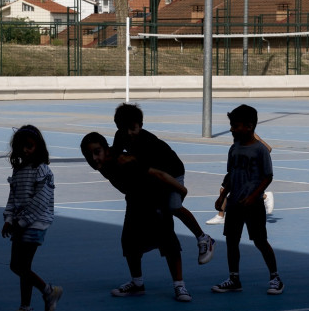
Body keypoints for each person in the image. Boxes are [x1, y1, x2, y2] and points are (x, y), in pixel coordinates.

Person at [81, 132, 193, 302]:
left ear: (107, 149)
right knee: (129, 241)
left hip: (155, 197)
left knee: (168, 241)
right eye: (88, 155)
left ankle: (179, 284)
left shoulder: (124, 161)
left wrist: (181, 189)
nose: (93, 158)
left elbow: (157, 173)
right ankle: (137, 283)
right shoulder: (103, 165)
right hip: (135, 200)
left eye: (97, 152)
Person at [112, 103, 215, 264]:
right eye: (124, 128)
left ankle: (204, 238)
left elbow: (159, 174)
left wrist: (180, 189)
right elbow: (116, 155)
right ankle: (148, 242)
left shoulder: (148, 143)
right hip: (154, 174)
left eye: (133, 128)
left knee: (174, 206)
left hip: (172, 172)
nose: (129, 133)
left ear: (141, 125)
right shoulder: (120, 136)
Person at [211, 105, 284, 296]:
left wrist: (253, 196)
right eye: (232, 125)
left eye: (236, 126)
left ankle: (275, 277)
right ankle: (234, 278)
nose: (232, 129)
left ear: (249, 126)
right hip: (234, 203)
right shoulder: (233, 149)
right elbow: (230, 175)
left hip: (253, 205)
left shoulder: (260, 150)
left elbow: (268, 177)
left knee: (260, 240)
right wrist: (222, 196)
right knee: (231, 241)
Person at [1, 125, 62, 311]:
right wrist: (8, 220)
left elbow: (39, 202)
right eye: (21, 147)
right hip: (20, 224)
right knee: (17, 266)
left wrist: (20, 222)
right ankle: (45, 294)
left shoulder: (42, 170)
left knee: (21, 266)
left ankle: (29, 308)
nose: (25, 150)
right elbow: (13, 198)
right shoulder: (18, 171)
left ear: (38, 147)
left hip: (34, 224)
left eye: (29, 146)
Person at [206, 133, 275, 225]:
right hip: (237, 168)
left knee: (229, 190)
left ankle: (265, 196)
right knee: (225, 190)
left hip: (245, 170)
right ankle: (221, 215)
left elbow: (268, 149)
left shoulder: (252, 135)